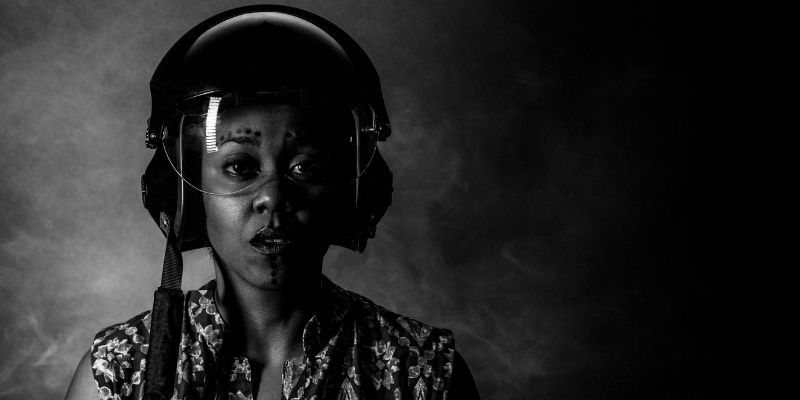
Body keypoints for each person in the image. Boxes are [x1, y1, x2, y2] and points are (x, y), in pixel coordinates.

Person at [65, 5, 479, 400]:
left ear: (348, 192)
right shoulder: (117, 376)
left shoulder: (423, 372)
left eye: (306, 168)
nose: (273, 196)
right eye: (240, 166)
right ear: (185, 193)